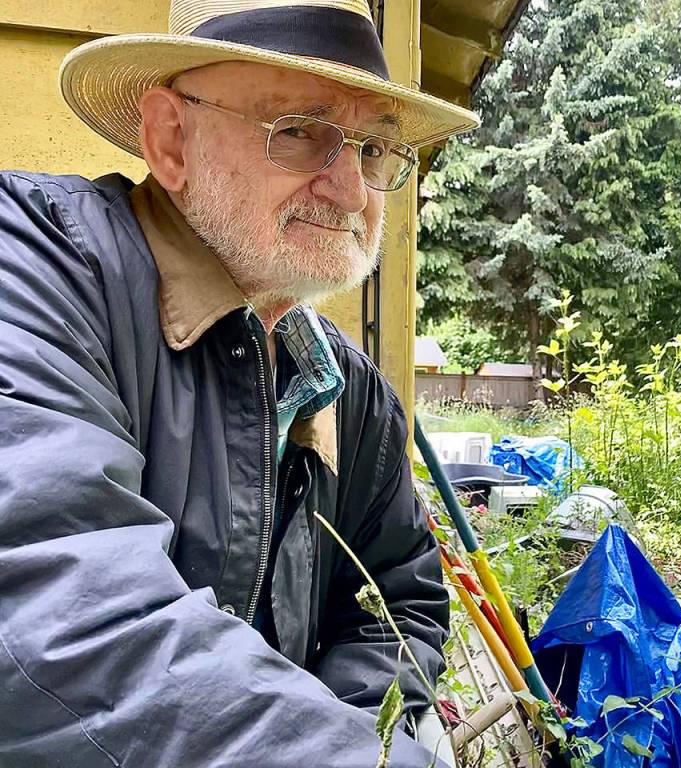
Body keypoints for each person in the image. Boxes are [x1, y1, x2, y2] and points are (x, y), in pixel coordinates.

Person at [0, 0, 479, 765]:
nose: (352, 192)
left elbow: (400, 602)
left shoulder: (352, 394)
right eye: (299, 132)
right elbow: (57, 615)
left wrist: (359, 728)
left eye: (375, 149)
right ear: (170, 138)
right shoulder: (34, 269)